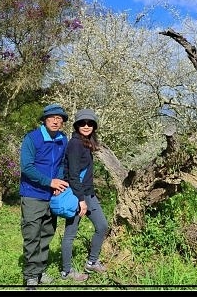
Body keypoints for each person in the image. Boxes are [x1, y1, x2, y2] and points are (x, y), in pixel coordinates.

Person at [19, 103, 70, 289]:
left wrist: (59, 181)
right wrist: (50, 182)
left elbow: (62, 164)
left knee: (47, 233)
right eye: (52, 117)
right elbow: (27, 167)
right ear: (45, 119)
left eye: (60, 118)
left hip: (52, 196)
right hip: (33, 194)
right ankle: (31, 276)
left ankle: (40, 271)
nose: (56, 121)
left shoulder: (63, 139)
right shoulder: (32, 138)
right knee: (32, 234)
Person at [60, 108, 109, 282]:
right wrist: (81, 200)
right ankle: (66, 271)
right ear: (77, 125)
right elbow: (73, 175)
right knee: (70, 234)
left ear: (94, 126)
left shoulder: (86, 142)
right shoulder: (74, 144)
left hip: (89, 194)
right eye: (82, 123)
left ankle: (91, 262)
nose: (86, 126)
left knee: (102, 226)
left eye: (90, 123)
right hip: (77, 195)